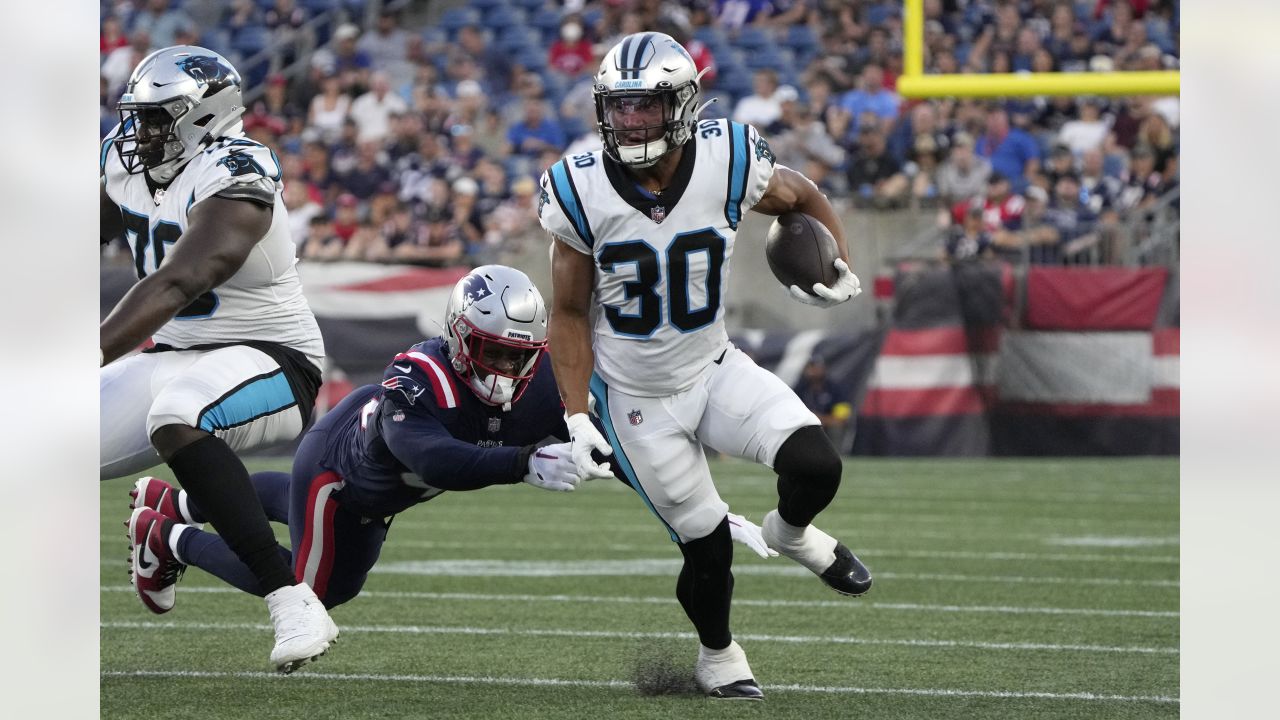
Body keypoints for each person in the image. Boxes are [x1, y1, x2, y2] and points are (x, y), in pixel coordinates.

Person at [127, 267, 774, 619]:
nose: (506, 371)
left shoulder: (545, 383)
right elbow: (431, 459)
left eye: (519, 356)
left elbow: (613, 450)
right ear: (462, 338)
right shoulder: (420, 373)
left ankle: (179, 502)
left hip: (381, 494)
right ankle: (168, 537)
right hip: (340, 475)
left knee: (295, 513)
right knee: (311, 590)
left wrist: (694, 512)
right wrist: (523, 462)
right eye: (492, 351)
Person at [539, 32, 872, 702]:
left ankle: (790, 532)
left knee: (816, 466)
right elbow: (569, 314)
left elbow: (799, 193)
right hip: (635, 400)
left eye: (646, 106)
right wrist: (577, 414)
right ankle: (718, 654)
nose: (630, 121)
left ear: (683, 104)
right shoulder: (579, 188)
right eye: (619, 107)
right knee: (708, 547)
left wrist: (834, 256)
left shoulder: (727, 156)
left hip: (713, 366)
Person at [99, 46, 338, 673]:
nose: (138, 133)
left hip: (276, 361)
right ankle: (156, 533)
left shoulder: (238, 168)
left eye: (157, 119)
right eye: (137, 117)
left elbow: (183, 279)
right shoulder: (123, 165)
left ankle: (290, 598)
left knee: (179, 414)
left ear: (205, 115)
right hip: (176, 354)